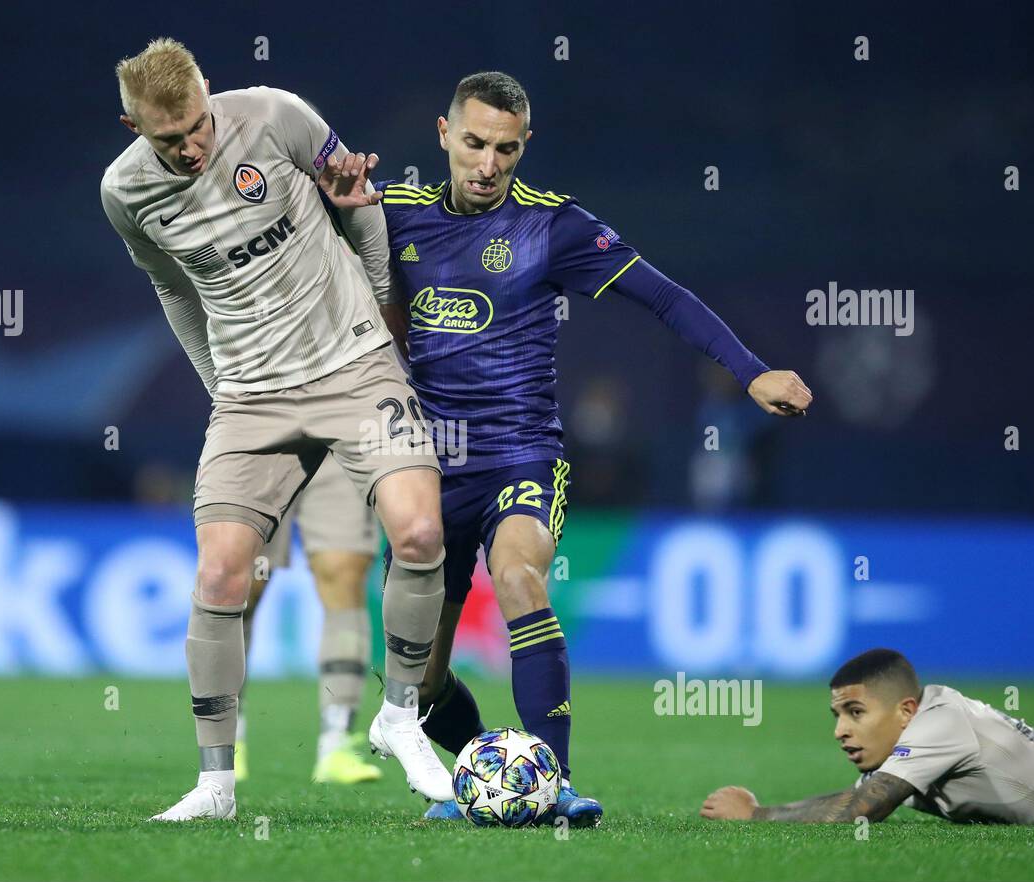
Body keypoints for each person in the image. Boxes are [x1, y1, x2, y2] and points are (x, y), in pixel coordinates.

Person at [321, 71, 813, 827]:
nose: (489, 165)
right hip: (425, 464)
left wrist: (750, 371)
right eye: (476, 144)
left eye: (507, 151)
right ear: (445, 134)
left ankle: (556, 783)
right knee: (417, 682)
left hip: (521, 450)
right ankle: (492, 772)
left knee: (520, 574)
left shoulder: (555, 227)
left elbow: (665, 295)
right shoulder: (394, 217)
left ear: (525, 148)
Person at [101, 38, 453, 821]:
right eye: (169, 139)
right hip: (251, 396)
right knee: (222, 577)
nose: (192, 146)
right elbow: (173, 288)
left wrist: (373, 312)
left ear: (208, 93)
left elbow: (360, 202)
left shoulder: (276, 116)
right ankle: (216, 785)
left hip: (354, 368)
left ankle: (398, 717)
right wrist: (217, 386)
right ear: (132, 126)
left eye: (197, 124)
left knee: (420, 533)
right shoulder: (124, 195)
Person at [701, 648, 1034, 824]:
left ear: (906, 711)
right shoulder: (909, 750)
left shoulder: (942, 722)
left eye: (855, 713)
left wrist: (756, 815)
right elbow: (850, 798)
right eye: (838, 715)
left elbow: (864, 808)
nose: (840, 731)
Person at [238, 456, 384, 785]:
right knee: (242, 584)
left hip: (337, 434)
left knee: (344, 576)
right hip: (260, 431)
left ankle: (336, 743)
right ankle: (226, 740)